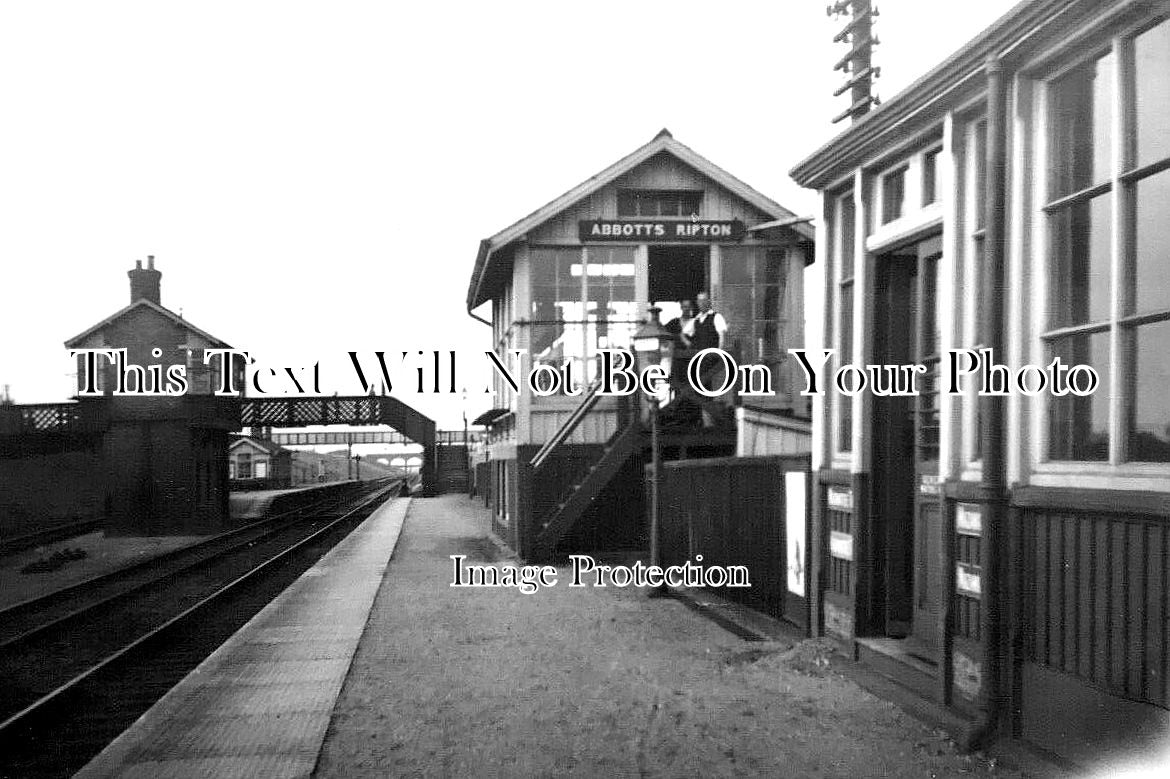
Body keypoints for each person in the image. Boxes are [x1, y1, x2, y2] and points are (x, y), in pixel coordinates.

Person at [682, 291, 730, 428]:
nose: (701, 303)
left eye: (704, 300)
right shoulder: (696, 320)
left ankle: (710, 421)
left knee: (707, 387)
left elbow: (722, 335)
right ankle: (705, 421)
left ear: (709, 302)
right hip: (699, 360)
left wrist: (719, 352)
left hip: (711, 358)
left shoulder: (716, 317)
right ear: (697, 303)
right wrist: (689, 344)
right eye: (699, 301)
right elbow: (684, 333)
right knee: (700, 388)